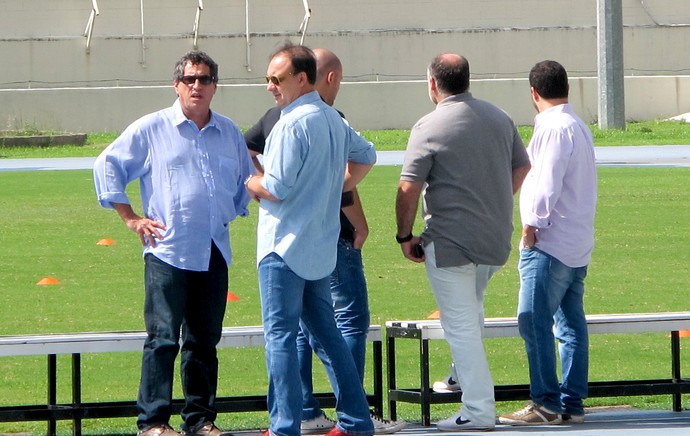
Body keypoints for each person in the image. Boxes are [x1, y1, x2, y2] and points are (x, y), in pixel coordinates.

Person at [244, 47, 405, 435]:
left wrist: (248, 181)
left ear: (303, 78)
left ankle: (285, 426)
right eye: (268, 78)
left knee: (281, 339)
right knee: (328, 336)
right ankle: (356, 421)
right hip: (319, 247)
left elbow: (277, 187)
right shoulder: (332, 118)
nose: (270, 87)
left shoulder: (290, 123)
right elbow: (367, 155)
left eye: (277, 79)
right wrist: (337, 186)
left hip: (283, 247)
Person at [93, 51, 254, 436]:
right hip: (168, 249)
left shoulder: (229, 131)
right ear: (176, 85)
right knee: (163, 339)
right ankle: (153, 423)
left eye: (205, 79)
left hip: (213, 249)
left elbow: (244, 181)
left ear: (216, 86)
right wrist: (131, 218)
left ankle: (200, 420)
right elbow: (107, 164)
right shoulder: (152, 128)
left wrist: (226, 214)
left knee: (204, 342)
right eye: (189, 79)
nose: (197, 86)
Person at [395, 53, 531, 432]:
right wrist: (497, 198)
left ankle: (478, 409)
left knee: (461, 325)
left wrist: (404, 236)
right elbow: (522, 166)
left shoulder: (429, 125)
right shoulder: (499, 116)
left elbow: (408, 187)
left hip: (451, 241)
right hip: (494, 239)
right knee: (472, 313)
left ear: (433, 84)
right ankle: (459, 378)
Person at [498, 60, 597, 426]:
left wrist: (531, 225)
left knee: (533, 320)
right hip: (576, 240)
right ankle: (571, 401)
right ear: (566, 87)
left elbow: (546, 183)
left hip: (551, 241)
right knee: (570, 324)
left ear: (533, 93)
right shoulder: (577, 125)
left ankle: (546, 402)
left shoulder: (553, 128)